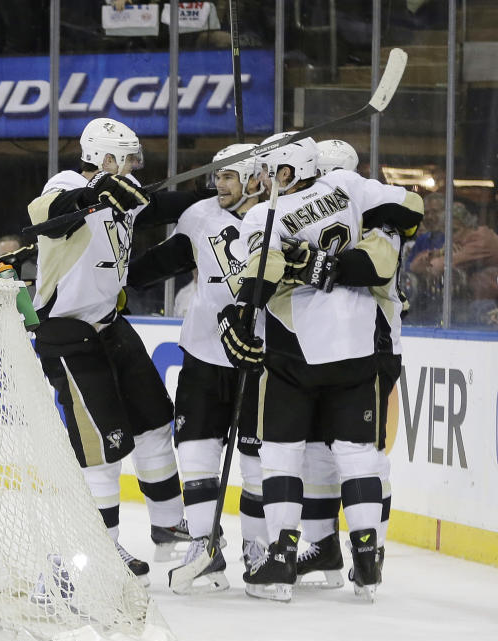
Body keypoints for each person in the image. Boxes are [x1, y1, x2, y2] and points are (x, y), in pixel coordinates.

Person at [220, 132, 423, 601]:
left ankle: (282, 556)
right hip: (358, 344)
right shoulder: (352, 189)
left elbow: (262, 269)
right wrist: (331, 257)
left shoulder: (266, 213)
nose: (264, 181)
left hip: (297, 350)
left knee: (283, 452)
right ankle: (366, 559)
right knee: (357, 456)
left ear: (287, 171)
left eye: (270, 171)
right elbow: (410, 207)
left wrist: (242, 312)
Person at [26, 117, 199, 585]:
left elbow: (162, 205)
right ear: (104, 158)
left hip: (111, 326)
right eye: (127, 159)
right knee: (103, 447)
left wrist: (221, 199)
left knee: (153, 421)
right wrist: (96, 194)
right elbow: (46, 211)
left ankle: (168, 525)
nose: (135, 168)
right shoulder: (67, 184)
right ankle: (99, 546)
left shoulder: (125, 195)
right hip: (67, 333)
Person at [128, 142, 267, 593]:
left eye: (228, 176)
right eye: (218, 177)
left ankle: (259, 548)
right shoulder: (201, 215)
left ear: (254, 177)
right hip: (204, 354)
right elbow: (156, 265)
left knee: (256, 457)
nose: (217, 184)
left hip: (259, 358)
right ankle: (205, 545)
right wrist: (110, 275)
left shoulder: (280, 218)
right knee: (195, 450)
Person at [289, 139, 400, 588]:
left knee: (362, 453)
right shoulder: (378, 209)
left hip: (371, 347)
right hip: (322, 347)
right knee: (321, 448)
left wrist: (312, 263)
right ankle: (329, 548)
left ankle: (369, 550)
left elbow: (375, 268)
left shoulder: (371, 212)